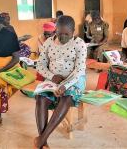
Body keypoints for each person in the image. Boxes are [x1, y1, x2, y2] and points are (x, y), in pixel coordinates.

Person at [34, 15, 87, 148]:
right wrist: (52, 77)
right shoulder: (48, 43)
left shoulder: (79, 44)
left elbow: (79, 69)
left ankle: (41, 140)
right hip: (52, 79)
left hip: (74, 80)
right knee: (41, 98)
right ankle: (43, 142)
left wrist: (65, 85)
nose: (62, 37)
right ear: (55, 30)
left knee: (67, 97)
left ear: (73, 31)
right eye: (59, 33)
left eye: (66, 34)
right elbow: (40, 65)